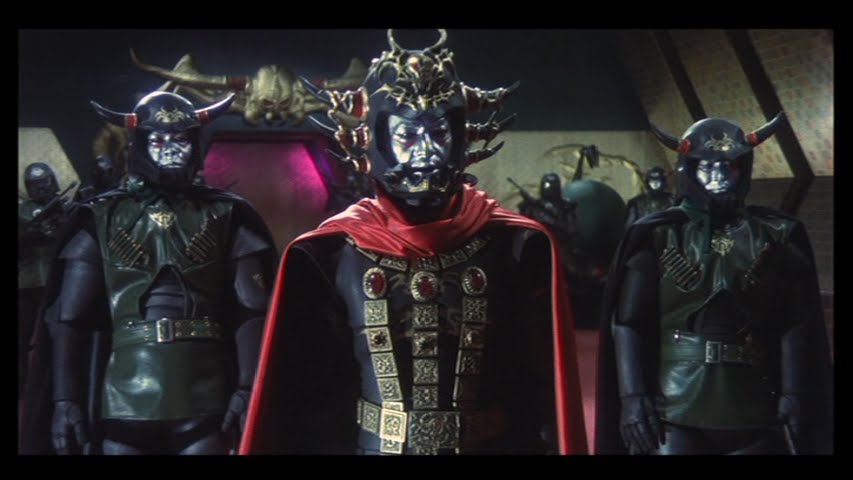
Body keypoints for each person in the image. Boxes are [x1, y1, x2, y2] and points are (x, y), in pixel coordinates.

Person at [240, 29, 588, 455]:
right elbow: (311, 387)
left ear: (459, 136)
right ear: (378, 139)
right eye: (407, 135)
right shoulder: (331, 252)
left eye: (438, 133)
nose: (425, 150)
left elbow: (536, 376)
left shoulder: (514, 243)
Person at [21, 91, 277, 455]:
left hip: (205, 392)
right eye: (158, 140)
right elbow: (69, 319)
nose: (171, 150)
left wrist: (248, 388)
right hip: (124, 394)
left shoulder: (226, 214)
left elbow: (252, 311)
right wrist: (65, 401)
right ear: (139, 144)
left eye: (181, 140)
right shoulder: (102, 215)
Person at [595, 113, 833, 454]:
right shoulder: (659, 234)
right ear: (689, 169)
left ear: (744, 169)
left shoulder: (777, 234)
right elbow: (628, 323)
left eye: (729, 166)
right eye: (707, 167)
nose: (719, 176)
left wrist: (794, 394)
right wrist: (633, 398)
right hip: (673, 406)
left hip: (755, 403)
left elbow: (795, 322)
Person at [18, 163, 74, 397]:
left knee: (59, 334)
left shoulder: (66, 208)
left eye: (46, 182)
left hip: (57, 279)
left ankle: (61, 385)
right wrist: (25, 236)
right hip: (26, 281)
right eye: (36, 185)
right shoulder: (22, 211)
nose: (42, 188)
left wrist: (60, 223)